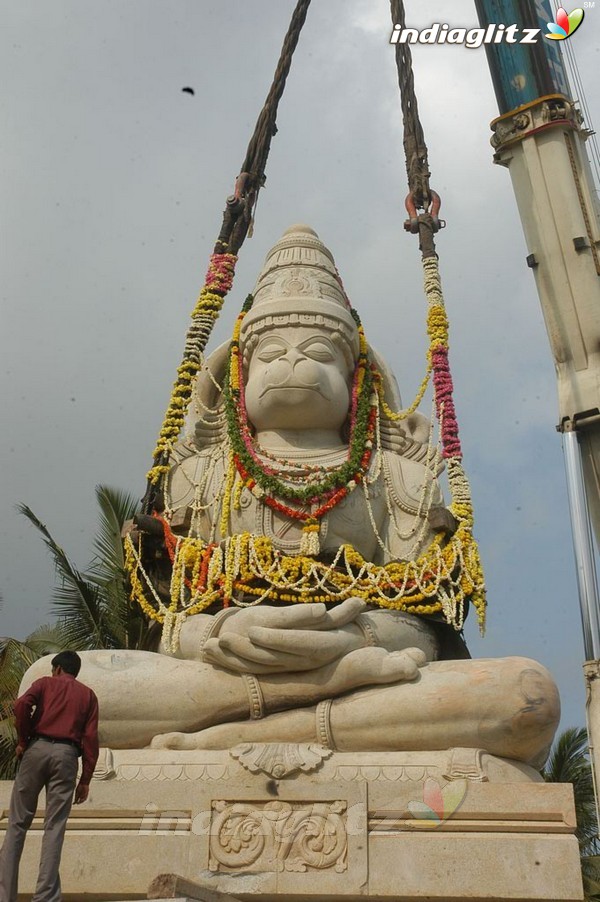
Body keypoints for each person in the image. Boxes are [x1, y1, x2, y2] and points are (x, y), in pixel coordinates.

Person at [19, 226, 559, 768]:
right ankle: (285, 707)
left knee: (526, 695)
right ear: (240, 374)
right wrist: (218, 634)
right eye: (271, 353)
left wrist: (354, 639)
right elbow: (172, 619)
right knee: (49, 688)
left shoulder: (397, 476)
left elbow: (422, 621)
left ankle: (219, 736)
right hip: (222, 667)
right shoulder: (199, 474)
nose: (292, 364)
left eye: (319, 352)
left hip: (366, 663)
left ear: (356, 380)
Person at [0, 650, 99, 902]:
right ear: (74, 672)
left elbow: (21, 705)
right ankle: (44, 897)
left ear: (56, 669)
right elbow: (90, 738)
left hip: (37, 749)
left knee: (17, 825)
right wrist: (85, 779)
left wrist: (23, 738)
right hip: (67, 755)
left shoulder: (45, 684)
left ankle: (4, 895)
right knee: (54, 827)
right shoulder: (88, 695)